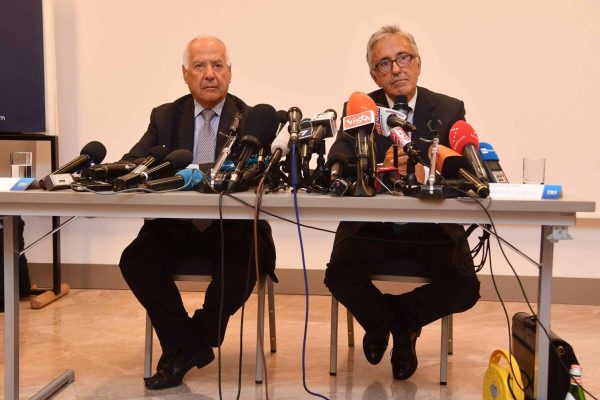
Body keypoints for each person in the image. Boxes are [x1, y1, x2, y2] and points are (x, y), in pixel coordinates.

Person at [119, 36, 276, 390]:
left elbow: (260, 174)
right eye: (200, 66)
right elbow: (134, 161)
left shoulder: (252, 119)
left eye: (217, 65)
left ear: (230, 73)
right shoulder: (165, 115)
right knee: (135, 260)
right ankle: (189, 345)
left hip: (231, 228)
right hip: (174, 227)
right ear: (185, 75)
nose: (209, 74)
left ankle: (191, 342)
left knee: (245, 263)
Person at [324, 25, 480, 380]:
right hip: (371, 227)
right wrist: (376, 167)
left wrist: (424, 171)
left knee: (465, 289)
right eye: (384, 64)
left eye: (403, 58)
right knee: (340, 275)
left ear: (418, 63)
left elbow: (461, 170)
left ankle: (395, 322)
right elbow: (340, 155)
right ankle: (391, 326)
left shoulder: (448, 107)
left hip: (432, 227)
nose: (396, 69)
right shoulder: (361, 107)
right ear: (373, 74)